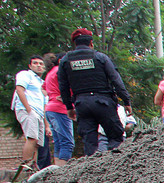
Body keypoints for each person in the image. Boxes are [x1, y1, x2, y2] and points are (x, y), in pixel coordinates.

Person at [58, 28, 132, 156]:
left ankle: (92, 170)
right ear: (91, 43)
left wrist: (69, 107)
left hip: (82, 104)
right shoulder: (100, 57)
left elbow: (63, 86)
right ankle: (118, 165)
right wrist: (126, 101)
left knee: (89, 142)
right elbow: (116, 80)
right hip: (104, 103)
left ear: (75, 43)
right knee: (115, 137)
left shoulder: (65, 61)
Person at [11, 55, 50, 171]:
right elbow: (19, 90)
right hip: (27, 110)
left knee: (37, 143)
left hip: (39, 113)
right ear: (30, 65)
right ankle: (25, 167)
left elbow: (44, 105)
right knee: (32, 138)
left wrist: (47, 126)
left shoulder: (42, 83)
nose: (38, 66)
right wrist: (29, 110)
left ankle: (33, 168)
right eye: (35, 63)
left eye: (41, 64)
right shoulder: (25, 75)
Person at [44, 52, 74, 165]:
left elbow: (43, 89)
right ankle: (63, 172)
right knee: (67, 142)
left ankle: (57, 171)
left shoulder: (50, 73)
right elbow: (70, 86)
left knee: (58, 142)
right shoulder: (59, 71)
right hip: (60, 109)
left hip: (50, 109)